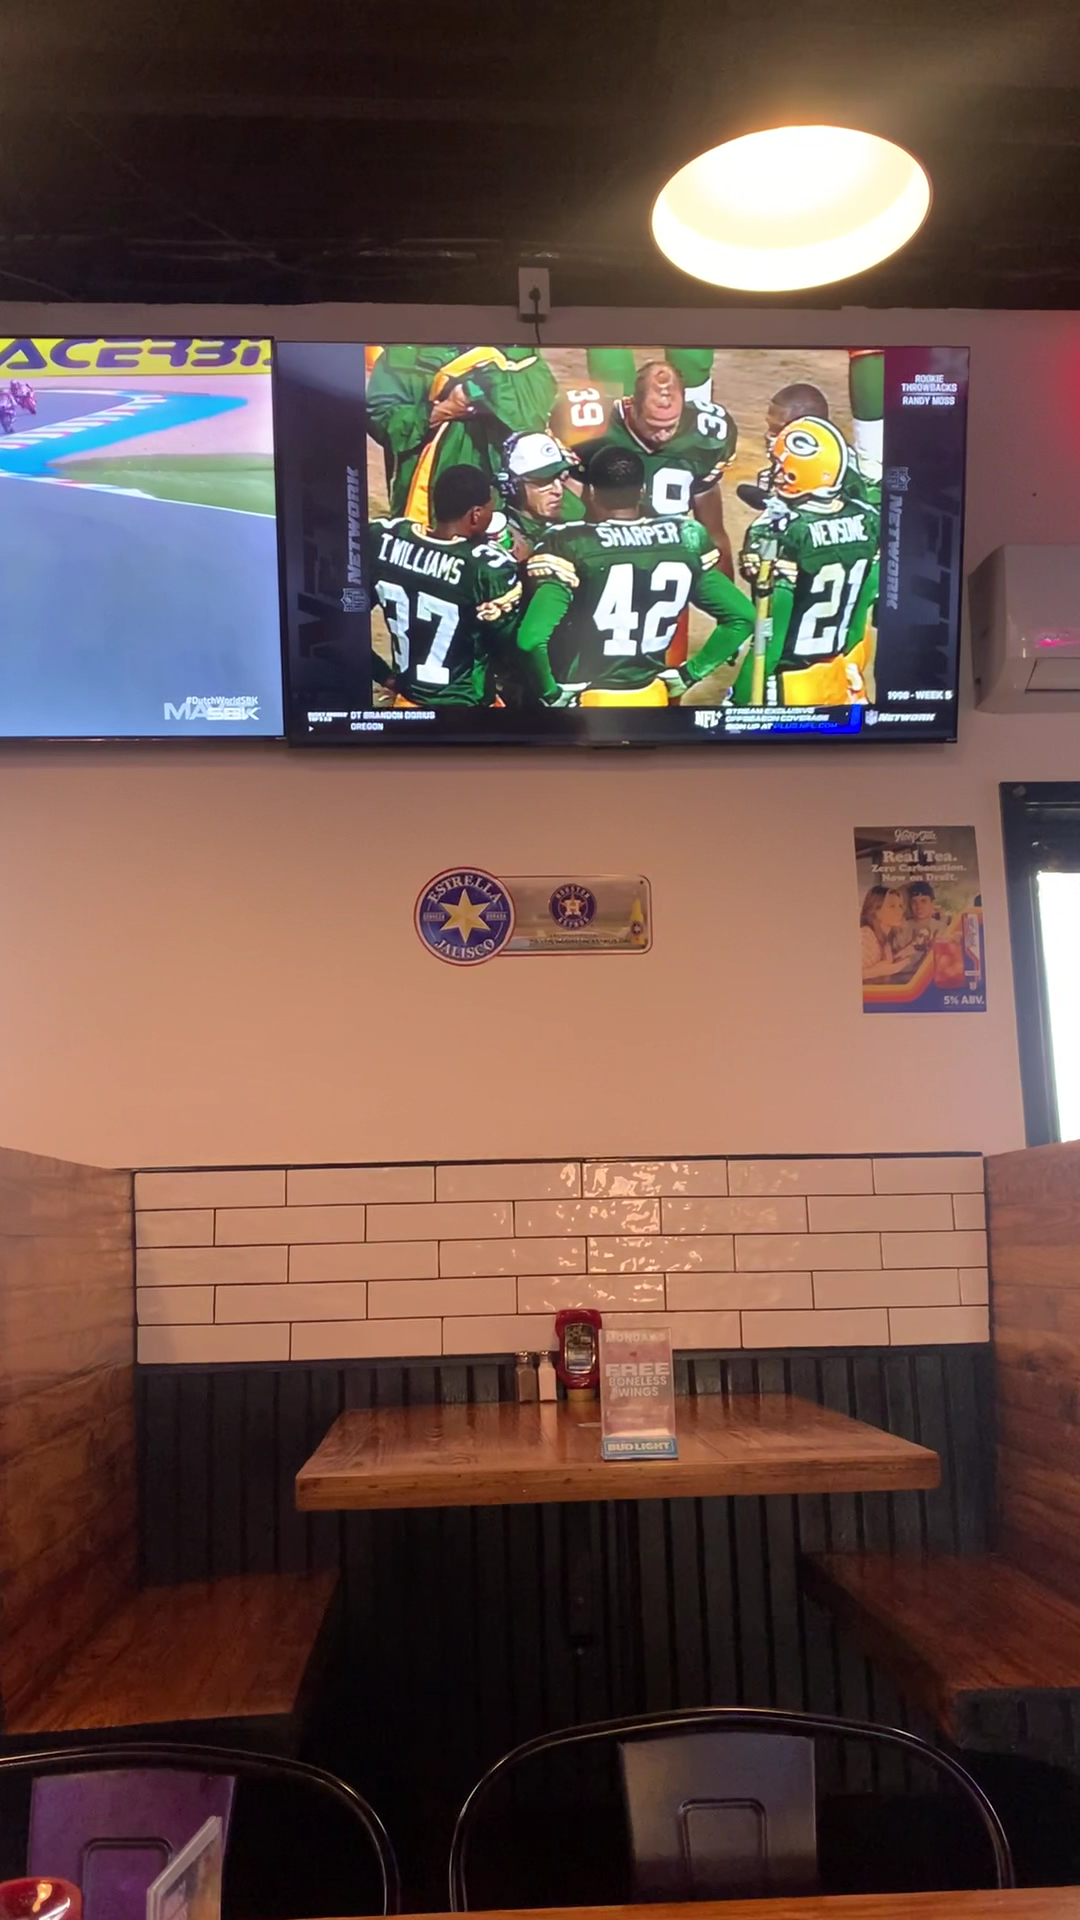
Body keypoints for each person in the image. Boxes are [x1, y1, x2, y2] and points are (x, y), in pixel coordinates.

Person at [515, 445, 752, 708]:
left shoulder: (568, 542)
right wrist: (690, 673)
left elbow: (530, 640)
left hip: (587, 702)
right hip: (651, 697)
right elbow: (743, 617)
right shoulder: (684, 536)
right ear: (642, 491)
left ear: (592, 492)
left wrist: (550, 693)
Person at [736, 415, 880, 707]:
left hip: (790, 681)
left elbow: (770, 636)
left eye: (782, 468)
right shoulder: (867, 518)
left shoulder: (780, 531)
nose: (776, 473)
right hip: (838, 669)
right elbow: (868, 591)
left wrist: (736, 703)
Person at [550, 358, 737, 574]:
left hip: (668, 554)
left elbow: (713, 532)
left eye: (670, 426)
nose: (662, 436)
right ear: (631, 405)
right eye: (653, 426)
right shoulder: (588, 426)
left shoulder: (705, 437)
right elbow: (564, 514)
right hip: (601, 549)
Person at [368, 464, 521, 708]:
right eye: (489, 507)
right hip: (466, 710)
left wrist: (382, 674)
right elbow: (514, 649)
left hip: (408, 702)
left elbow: (340, 623)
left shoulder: (383, 539)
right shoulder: (488, 568)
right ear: (475, 514)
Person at [366, 344, 557, 523]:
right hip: (432, 501)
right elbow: (380, 420)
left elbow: (539, 412)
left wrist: (494, 390)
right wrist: (443, 410)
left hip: (508, 494)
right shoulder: (404, 355)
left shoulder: (520, 352)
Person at [496, 430, 584, 556]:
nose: (558, 490)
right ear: (513, 486)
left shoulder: (574, 518)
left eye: (560, 478)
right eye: (544, 482)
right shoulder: (500, 536)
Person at [860, 887, 919, 980]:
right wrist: (877, 971)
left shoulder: (886, 940)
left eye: (900, 906)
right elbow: (850, 975)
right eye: (892, 906)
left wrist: (900, 956)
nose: (899, 912)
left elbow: (881, 965)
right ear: (875, 910)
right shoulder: (865, 935)